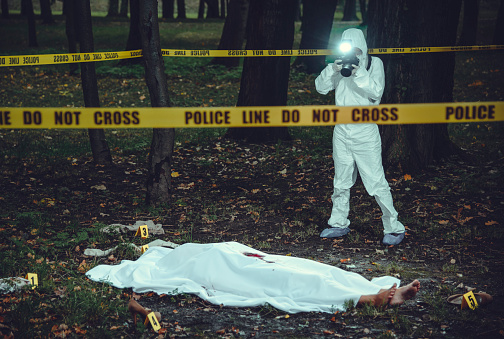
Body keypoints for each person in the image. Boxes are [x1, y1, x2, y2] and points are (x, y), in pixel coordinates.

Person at [86, 241, 420, 313]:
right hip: (228, 270)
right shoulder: (160, 264)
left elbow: (218, 248)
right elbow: (190, 269)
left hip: (238, 257)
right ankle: (368, 298)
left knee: (308, 267)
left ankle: (375, 287)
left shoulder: (167, 251)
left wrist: (239, 251)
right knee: (287, 282)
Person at [315, 28, 406, 246]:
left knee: (375, 181)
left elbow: (376, 92)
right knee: (341, 181)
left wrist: (358, 72)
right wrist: (332, 69)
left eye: (354, 47)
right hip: (341, 130)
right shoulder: (337, 64)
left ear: (362, 46)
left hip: (365, 130)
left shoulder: (374, 64)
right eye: (346, 46)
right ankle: (338, 223)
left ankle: (393, 227)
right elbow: (320, 88)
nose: (350, 51)